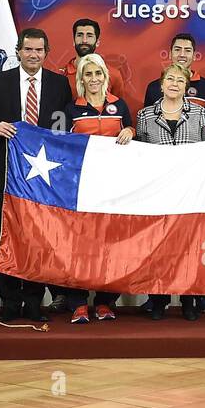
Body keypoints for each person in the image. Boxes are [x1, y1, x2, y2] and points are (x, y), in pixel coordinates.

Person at [0, 27, 73, 323]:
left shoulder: (58, 85)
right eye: (28, 49)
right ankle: (8, 300)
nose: (33, 55)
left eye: (39, 50)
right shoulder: (0, 81)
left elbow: (64, 126)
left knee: (37, 240)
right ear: (18, 51)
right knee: (2, 238)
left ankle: (33, 301)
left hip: (41, 180)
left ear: (46, 52)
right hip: (2, 174)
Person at [135, 63, 205, 321]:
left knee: (188, 247)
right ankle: (158, 300)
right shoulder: (145, 115)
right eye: (170, 79)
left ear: (186, 86)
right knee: (159, 247)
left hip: (191, 194)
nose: (175, 84)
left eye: (180, 80)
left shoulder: (200, 114)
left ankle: (189, 300)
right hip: (158, 194)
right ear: (161, 84)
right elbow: (140, 155)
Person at [63, 53, 135, 324]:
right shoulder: (71, 109)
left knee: (111, 245)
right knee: (79, 246)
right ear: (81, 79)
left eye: (98, 74)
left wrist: (130, 130)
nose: (94, 79)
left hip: (115, 188)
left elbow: (130, 132)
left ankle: (105, 302)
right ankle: (79, 303)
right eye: (88, 74)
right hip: (83, 187)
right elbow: (63, 144)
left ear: (106, 77)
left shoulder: (121, 105)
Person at [143, 32, 205, 110]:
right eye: (177, 49)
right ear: (170, 54)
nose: (182, 54)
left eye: (187, 50)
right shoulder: (154, 87)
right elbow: (147, 120)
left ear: (194, 56)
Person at [62, 17, 125, 99]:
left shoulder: (113, 75)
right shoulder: (60, 76)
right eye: (80, 35)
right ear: (73, 41)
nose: (84, 40)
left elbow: (118, 108)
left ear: (97, 42)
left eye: (89, 36)